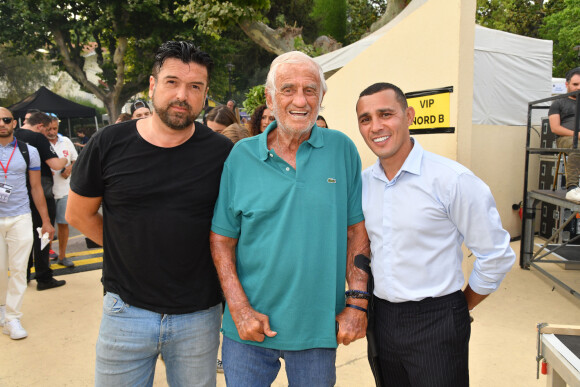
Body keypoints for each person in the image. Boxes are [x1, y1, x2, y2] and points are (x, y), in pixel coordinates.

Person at [66, 40, 233, 386]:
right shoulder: (108, 144)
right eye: (172, 82)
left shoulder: (222, 153)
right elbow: (79, 215)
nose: (182, 95)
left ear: (205, 95)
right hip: (125, 311)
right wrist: (127, 249)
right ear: (153, 85)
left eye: (195, 87)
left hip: (199, 316)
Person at [210, 51, 370, 386]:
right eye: (288, 89)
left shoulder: (342, 150)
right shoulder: (241, 156)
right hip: (249, 329)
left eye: (310, 90)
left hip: (317, 328)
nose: (301, 100)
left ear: (322, 97)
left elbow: (356, 232)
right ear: (269, 97)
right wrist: (238, 308)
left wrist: (357, 305)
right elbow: (222, 239)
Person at [355, 82, 515, 386]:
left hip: (438, 320)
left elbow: (495, 256)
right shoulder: (362, 184)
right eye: (366, 119)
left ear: (409, 115)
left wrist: (459, 307)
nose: (376, 126)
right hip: (382, 321)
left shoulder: (453, 181)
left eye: (385, 114)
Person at [0, 107, 55, 339]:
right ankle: (2, 309)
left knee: (20, 270)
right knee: (1, 270)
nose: (1, 124)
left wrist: (45, 221)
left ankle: (12, 318)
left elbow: (36, 187)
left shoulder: (28, 151)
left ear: (15, 123)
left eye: (5, 119)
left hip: (21, 216)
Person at [15, 112, 67, 290]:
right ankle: (44, 276)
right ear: (40, 127)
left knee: (23, 237)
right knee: (44, 234)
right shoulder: (37, 138)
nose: (48, 134)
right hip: (41, 193)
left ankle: (24, 274)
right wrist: (66, 159)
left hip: (17, 195)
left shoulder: (11, 136)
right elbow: (56, 165)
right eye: (47, 130)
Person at [44, 115, 77, 268]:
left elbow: (75, 159)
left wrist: (69, 169)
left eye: (54, 128)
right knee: (47, 226)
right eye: (48, 128)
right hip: (46, 192)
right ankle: (45, 257)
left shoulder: (66, 141)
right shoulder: (40, 143)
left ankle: (62, 256)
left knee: (63, 224)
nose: (51, 132)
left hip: (64, 190)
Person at [549, 67, 580, 201]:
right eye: (575, 84)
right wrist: (577, 135)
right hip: (565, 138)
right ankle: (572, 188)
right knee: (577, 146)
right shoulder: (558, 102)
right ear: (567, 84)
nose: (579, 87)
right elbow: (555, 128)